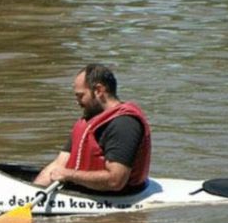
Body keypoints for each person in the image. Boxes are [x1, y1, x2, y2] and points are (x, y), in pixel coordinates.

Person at [34, 63, 151, 192]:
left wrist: (68, 174)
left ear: (99, 91)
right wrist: (33, 191)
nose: (77, 102)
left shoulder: (124, 124)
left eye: (80, 95)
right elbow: (58, 165)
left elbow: (115, 181)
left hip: (116, 198)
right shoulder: (87, 121)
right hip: (82, 189)